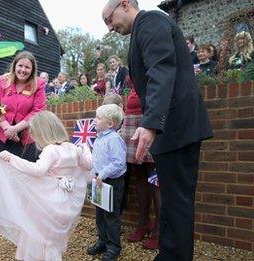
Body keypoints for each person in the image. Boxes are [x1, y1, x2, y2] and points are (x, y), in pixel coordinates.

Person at [102, 1, 212, 260]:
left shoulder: (151, 21)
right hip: (170, 130)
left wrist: (150, 123)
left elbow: (161, 70)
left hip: (177, 129)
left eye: (109, 19)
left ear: (125, 4)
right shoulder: (143, 28)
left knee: (177, 203)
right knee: (172, 202)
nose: (109, 28)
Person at [0, 111, 93, 261]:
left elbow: (38, 170)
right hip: (65, 201)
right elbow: (88, 165)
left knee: (38, 234)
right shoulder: (73, 148)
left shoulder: (51, 150)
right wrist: (86, 150)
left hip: (49, 200)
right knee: (50, 238)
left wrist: (12, 158)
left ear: (42, 132)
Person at [122, 87, 161, 250]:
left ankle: (160, 228)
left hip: (150, 122)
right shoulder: (133, 68)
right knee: (139, 177)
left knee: (155, 181)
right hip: (131, 122)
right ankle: (143, 223)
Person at [87, 104, 126, 261]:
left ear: (110, 123)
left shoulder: (114, 139)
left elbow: (119, 163)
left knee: (111, 216)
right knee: (100, 214)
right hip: (99, 180)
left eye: (98, 118)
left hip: (112, 182)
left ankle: (114, 246)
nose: (94, 120)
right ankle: (102, 241)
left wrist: (102, 174)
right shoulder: (99, 138)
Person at [0, 51, 46, 162]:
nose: (23, 70)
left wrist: (15, 129)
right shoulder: (3, 80)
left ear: (32, 70)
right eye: (20, 66)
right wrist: (7, 128)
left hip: (28, 139)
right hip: (4, 136)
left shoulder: (39, 84)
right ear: (14, 66)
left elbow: (37, 111)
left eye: (27, 67)